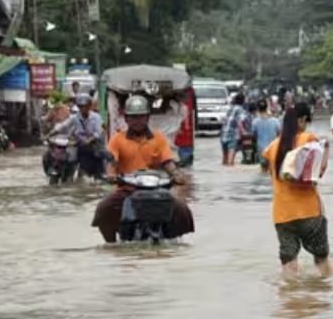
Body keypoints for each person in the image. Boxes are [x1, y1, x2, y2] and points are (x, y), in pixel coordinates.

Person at [92, 95, 195, 243]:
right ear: (126, 119)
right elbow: (112, 161)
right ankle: (110, 243)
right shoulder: (117, 138)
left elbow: (167, 161)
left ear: (147, 117)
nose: (137, 121)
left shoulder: (159, 138)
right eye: (133, 117)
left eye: (141, 117)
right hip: (126, 188)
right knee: (104, 209)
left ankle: (176, 239)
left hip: (155, 188)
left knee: (182, 209)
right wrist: (111, 176)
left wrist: (176, 174)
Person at [263, 102, 331, 277]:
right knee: (321, 259)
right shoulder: (309, 139)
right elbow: (317, 174)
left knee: (289, 263)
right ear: (301, 120)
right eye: (306, 121)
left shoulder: (272, 147)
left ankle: (290, 299)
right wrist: (326, 154)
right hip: (309, 212)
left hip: (282, 214)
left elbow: (268, 171)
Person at [251, 99, 282, 172]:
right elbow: (280, 135)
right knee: (272, 172)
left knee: (263, 171)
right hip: (273, 149)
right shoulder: (275, 121)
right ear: (267, 107)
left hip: (262, 150)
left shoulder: (255, 122)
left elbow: (253, 137)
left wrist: (254, 148)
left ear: (258, 109)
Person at [220, 92, 250, 166]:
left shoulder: (230, 109)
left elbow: (225, 120)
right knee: (230, 162)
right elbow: (239, 121)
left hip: (223, 133)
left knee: (224, 160)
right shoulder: (241, 110)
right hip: (232, 135)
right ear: (243, 101)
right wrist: (244, 132)